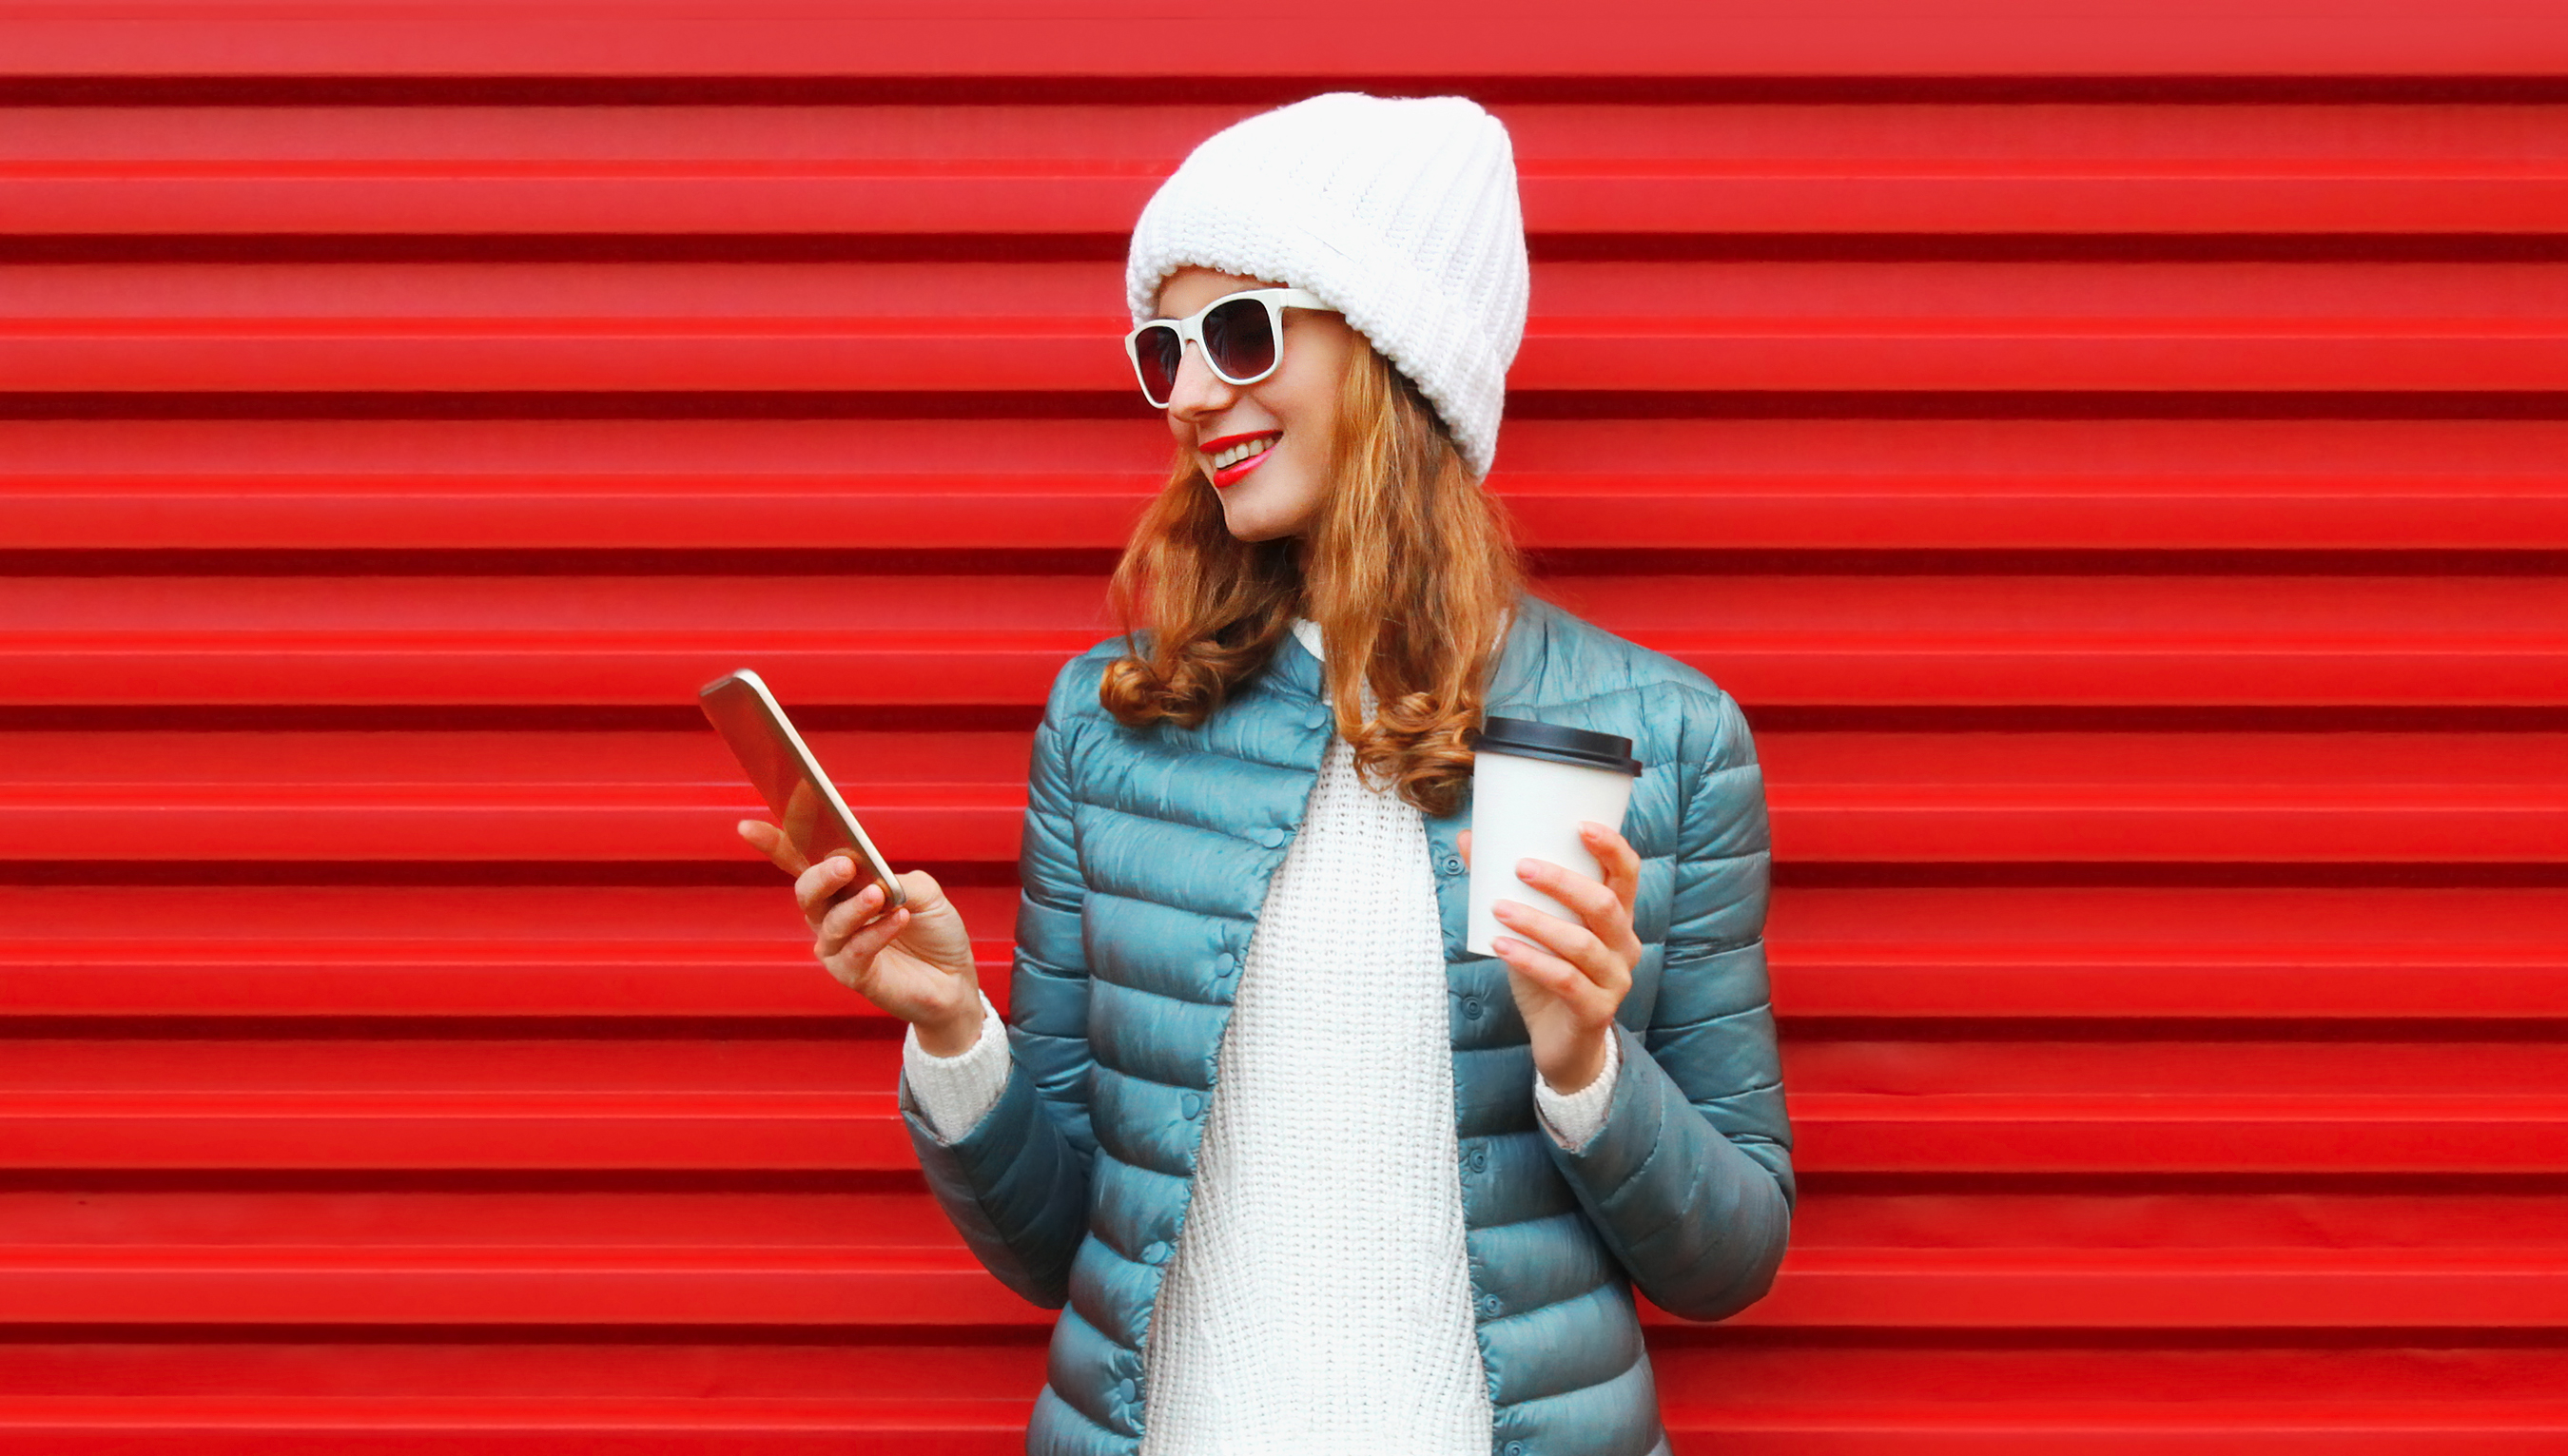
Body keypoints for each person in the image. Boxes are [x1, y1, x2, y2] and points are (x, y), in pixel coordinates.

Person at [739, 91, 1792, 1456]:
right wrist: (954, 1032)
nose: (1188, 396)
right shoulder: (1111, 728)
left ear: (1400, 354)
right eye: (1163, 350)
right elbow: (1060, 1246)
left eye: (1242, 333)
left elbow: (1729, 1259)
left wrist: (1588, 1061)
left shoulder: (1659, 735)